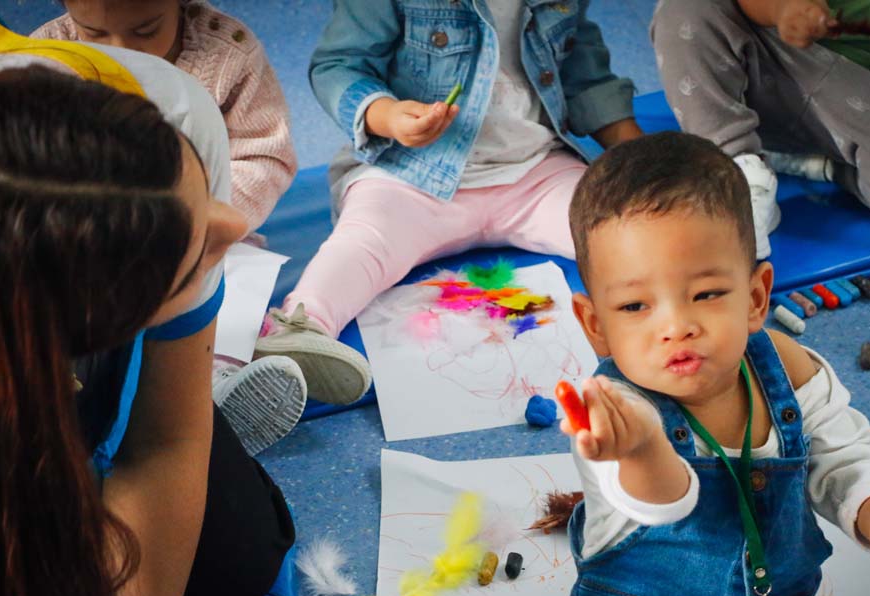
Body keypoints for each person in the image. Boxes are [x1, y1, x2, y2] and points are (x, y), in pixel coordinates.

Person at [0, 55, 382, 596]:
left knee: (232, 565)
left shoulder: (172, 111)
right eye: (196, 256)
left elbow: (167, 437)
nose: (238, 229)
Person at [506, 132, 870, 596]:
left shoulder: (786, 368)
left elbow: (841, 453)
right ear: (595, 324)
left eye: (706, 293)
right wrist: (641, 450)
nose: (675, 326)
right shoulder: (614, 410)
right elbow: (657, 502)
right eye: (635, 307)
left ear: (755, 295)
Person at [254, 0, 643, 406]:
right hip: (411, 174)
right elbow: (339, 65)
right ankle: (299, 331)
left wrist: (644, 156)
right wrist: (388, 116)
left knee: (617, 230)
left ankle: (673, 305)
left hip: (535, 169)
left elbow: (585, 76)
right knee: (363, 244)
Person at [34, 0, 304, 454]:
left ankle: (215, 391)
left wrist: (196, 220)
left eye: (145, 30)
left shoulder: (230, 53)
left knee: (230, 288)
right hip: (92, 246)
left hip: (200, 236)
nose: (122, 52)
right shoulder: (45, 56)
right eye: (95, 35)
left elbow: (265, 155)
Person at [650, 0, 870, 260]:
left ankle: (816, 167)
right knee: (685, 10)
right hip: (764, 65)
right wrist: (782, 8)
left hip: (869, 80)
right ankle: (736, 167)